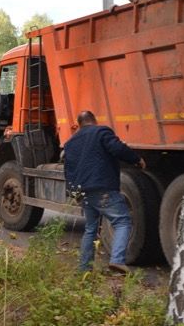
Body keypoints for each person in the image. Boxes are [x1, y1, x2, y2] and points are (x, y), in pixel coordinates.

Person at [63, 110, 146, 273]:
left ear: (79, 125)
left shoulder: (70, 143)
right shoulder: (101, 132)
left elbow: (68, 170)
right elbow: (116, 148)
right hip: (102, 187)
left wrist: (73, 192)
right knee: (122, 221)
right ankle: (117, 260)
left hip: (84, 191)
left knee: (90, 228)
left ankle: (84, 267)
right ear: (94, 120)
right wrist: (137, 159)